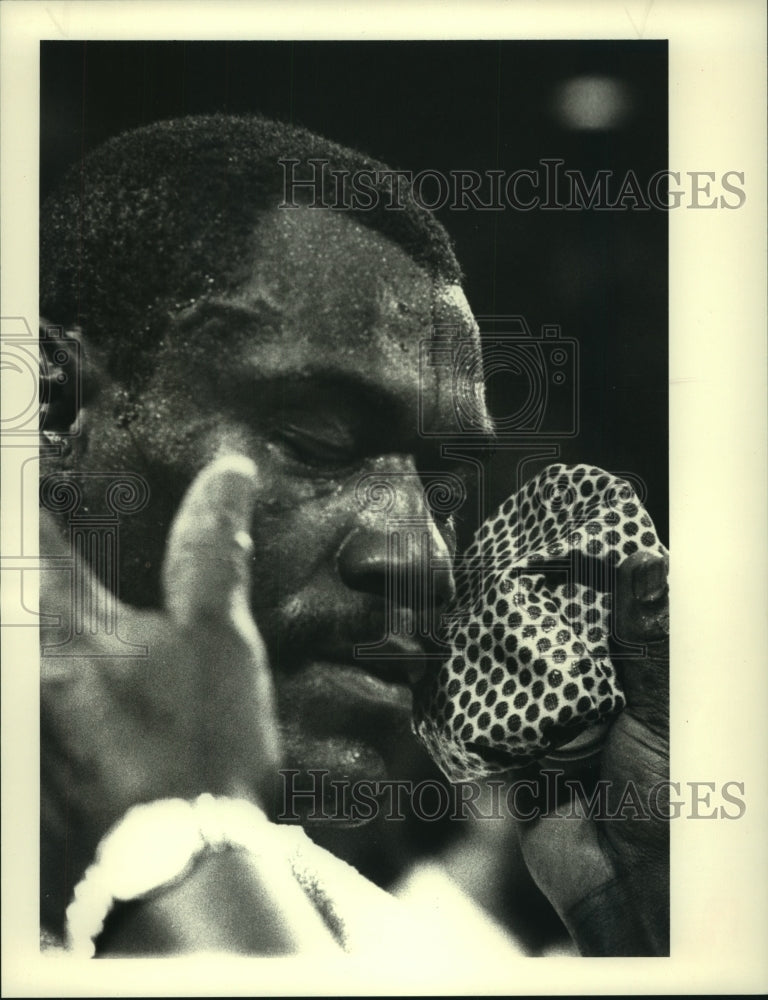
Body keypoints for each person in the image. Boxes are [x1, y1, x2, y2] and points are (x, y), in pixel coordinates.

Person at [38, 114, 669, 959]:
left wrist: (638, 921)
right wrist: (175, 832)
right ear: (52, 409)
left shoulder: (375, 941)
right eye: (319, 442)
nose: (427, 558)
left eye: (443, 491)